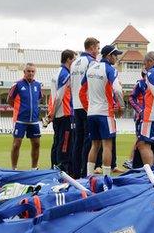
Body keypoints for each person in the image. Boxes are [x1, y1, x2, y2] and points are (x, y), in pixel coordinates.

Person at [79, 45, 124, 177]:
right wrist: (121, 106)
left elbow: (81, 91)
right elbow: (117, 89)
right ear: (108, 56)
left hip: (91, 113)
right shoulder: (110, 70)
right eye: (115, 55)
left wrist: (88, 108)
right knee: (107, 146)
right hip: (105, 113)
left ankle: (89, 175)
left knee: (94, 145)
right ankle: (106, 176)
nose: (117, 58)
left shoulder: (91, 69)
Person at [70, 37, 99, 177]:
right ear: (92, 47)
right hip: (87, 105)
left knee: (77, 141)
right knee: (89, 141)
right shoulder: (92, 62)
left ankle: (75, 172)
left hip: (76, 105)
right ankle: (84, 173)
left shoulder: (74, 63)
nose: (98, 52)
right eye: (97, 48)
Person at [8, 62, 43, 170]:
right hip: (20, 120)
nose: (31, 73)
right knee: (16, 144)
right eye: (28, 71)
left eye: (33, 71)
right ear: (24, 72)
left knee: (36, 144)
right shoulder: (17, 85)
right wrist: (20, 109)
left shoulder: (38, 85)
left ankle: (34, 168)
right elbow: (9, 100)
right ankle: (14, 168)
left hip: (34, 120)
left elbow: (38, 99)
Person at [48, 49, 76, 174]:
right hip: (64, 112)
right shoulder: (66, 74)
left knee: (57, 141)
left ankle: (54, 165)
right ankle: (62, 168)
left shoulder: (57, 73)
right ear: (69, 59)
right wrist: (53, 111)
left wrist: (52, 112)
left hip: (57, 114)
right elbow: (59, 96)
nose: (74, 62)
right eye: (74, 59)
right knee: (65, 142)